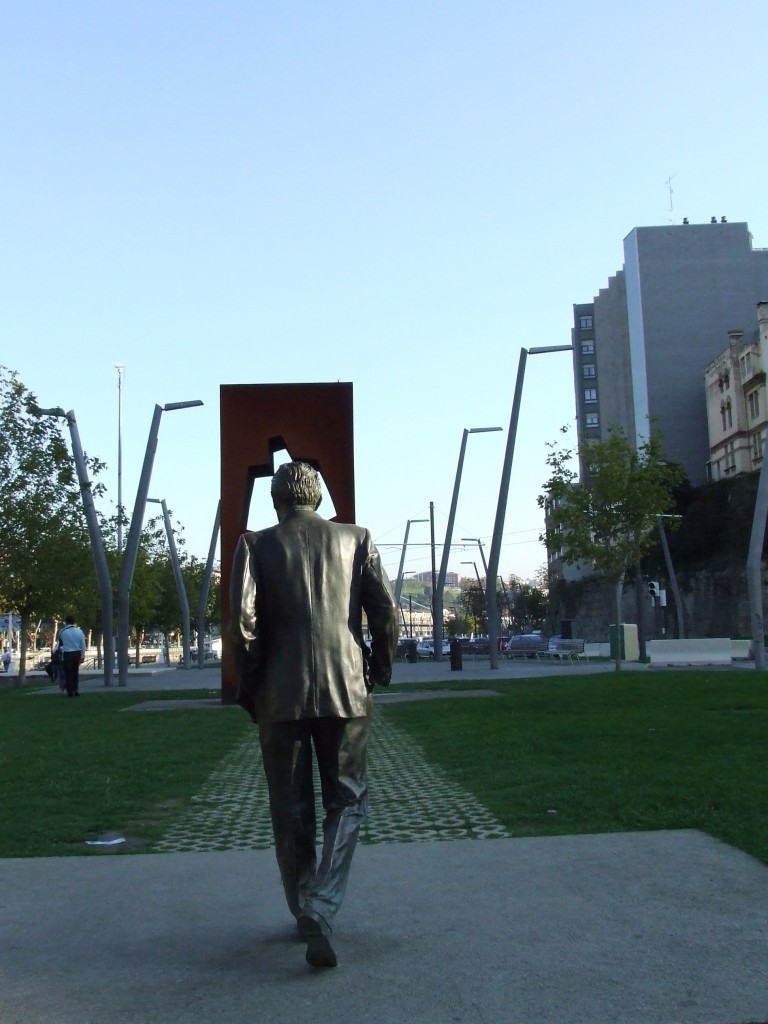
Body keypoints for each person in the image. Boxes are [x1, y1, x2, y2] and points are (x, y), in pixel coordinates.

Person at [229, 461, 398, 968]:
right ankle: (322, 907)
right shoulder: (357, 538)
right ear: (318, 497)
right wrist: (380, 667)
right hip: (346, 688)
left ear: (277, 500)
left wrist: (253, 685)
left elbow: (242, 623)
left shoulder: (256, 545)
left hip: (281, 695)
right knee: (348, 799)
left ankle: (305, 905)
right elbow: (385, 611)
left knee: (290, 806)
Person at [58, 615, 86, 697]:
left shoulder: (62, 631)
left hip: (67, 653)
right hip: (77, 653)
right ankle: (76, 689)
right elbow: (83, 644)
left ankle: (69, 691)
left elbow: (61, 644)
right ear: (74, 622)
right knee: (75, 672)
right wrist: (82, 655)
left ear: (66, 622)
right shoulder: (79, 631)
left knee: (68, 673)